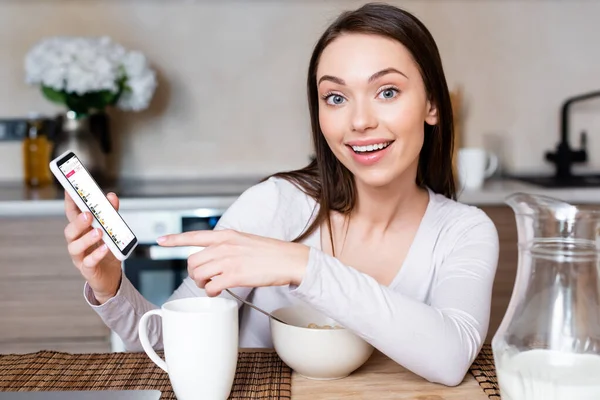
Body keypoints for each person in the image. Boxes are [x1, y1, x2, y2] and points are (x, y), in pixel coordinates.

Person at [62, 2, 499, 387]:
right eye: (335, 97)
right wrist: (110, 286)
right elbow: (169, 347)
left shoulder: (464, 231)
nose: (360, 120)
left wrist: (302, 266)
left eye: (387, 92)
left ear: (432, 105)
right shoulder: (276, 205)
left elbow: (450, 357)